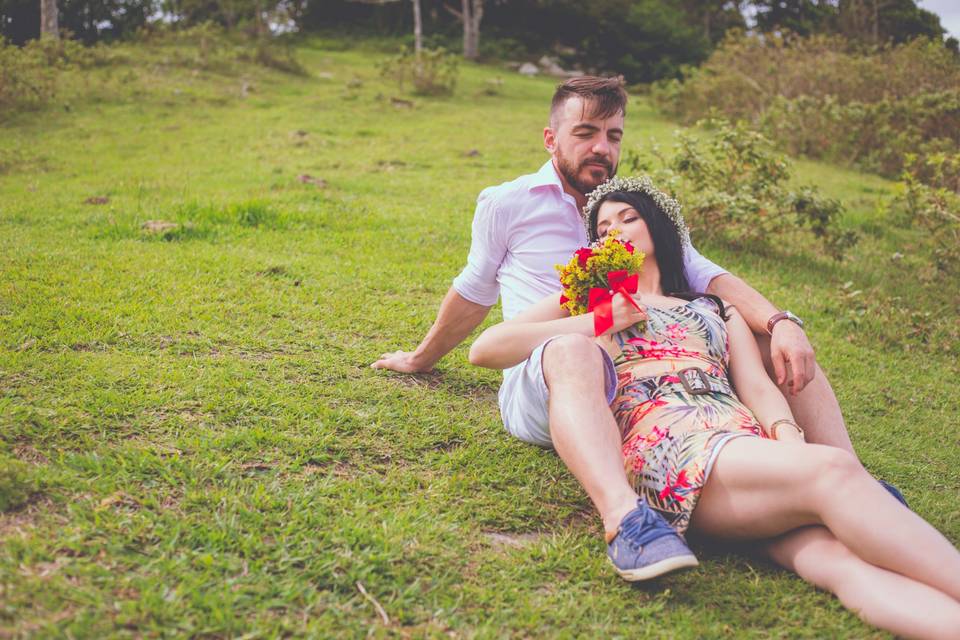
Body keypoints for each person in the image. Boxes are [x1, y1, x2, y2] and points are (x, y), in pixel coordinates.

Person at [372, 75, 900, 578]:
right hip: (547, 369)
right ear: (552, 138)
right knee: (569, 350)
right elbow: (474, 291)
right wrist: (421, 359)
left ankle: (855, 483)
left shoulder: (630, 210)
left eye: (613, 135)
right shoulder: (507, 203)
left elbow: (709, 277)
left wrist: (782, 322)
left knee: (769, 340)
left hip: (640, 375)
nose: (601, 147)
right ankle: (627, 520)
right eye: (585, 133)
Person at [468, 177, 960, 640]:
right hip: (670, 446)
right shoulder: (588, 301)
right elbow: (487, 348)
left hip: (740, 444)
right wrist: (599, 317)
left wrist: (787, 436)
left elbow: (755, 385)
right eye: (602, 228)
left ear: (658, 228)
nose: (613, 231)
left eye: (627, 219)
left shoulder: (712, 308)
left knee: (837, 561)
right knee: (833, 470)